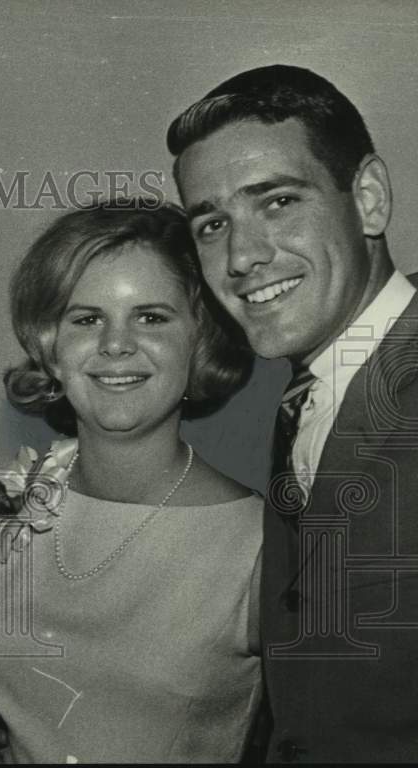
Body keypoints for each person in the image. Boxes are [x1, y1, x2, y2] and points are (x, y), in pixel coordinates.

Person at [168, 64, 418, 763]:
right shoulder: (309, 398)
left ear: (367, 198)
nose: (242, 256)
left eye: (276, 202)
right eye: (213, 223)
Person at [0, 201, 262, 762]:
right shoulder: (11, 504)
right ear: (50, 345)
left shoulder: (261, 546)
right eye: (87, 318)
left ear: (202, 339)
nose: (115, 344)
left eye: (151, 317)